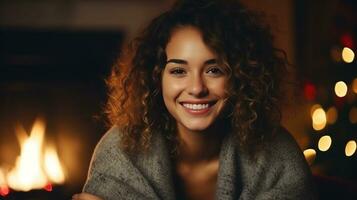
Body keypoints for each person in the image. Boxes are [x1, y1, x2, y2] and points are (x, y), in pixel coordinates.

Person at [73, 0, 316, 199]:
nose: (197, 88)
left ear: (242, 77)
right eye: (179, 71)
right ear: (157, 78)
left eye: (214, 70)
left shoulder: (277, 154)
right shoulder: (122, 149)